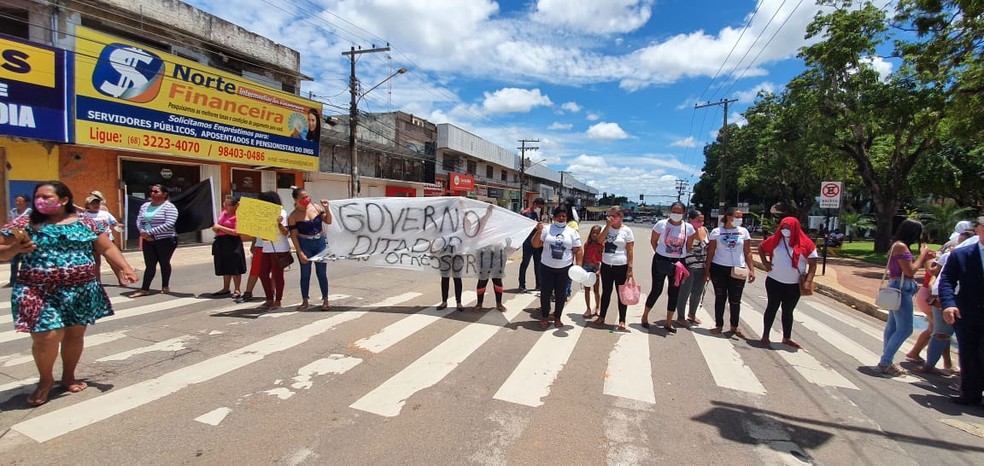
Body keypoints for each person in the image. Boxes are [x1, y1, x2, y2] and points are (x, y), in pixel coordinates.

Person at [0, 181, 138, 406]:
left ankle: (69, 376)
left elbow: (106, 247)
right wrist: (16, 249)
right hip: (38, 290)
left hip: (79, 289)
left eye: (46, 196)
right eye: (38, 197)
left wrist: (125, 267)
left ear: (64, 200)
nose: (40, 201)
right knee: (46, 337)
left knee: (75, 335)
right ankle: (45, 381)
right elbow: (2, 252)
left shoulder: (84, 222)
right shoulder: (25, 222)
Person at [876, 219, 934, 377]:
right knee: (906, 328)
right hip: (901, 288)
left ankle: (887, 360)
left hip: (900, 287)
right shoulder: (901, 246)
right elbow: (910, 271)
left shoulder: (899, 245)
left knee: (893, 326)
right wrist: (922, 256)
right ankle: (886, 361)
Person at [914, 229, 974, 374]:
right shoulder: (953, 255)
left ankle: (962, 372)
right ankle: (930, 364)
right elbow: (940, 276)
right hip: (947, 299)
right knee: (941, 332)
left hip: (969, 301)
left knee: (967, 338)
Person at [939, 217, 984, 405]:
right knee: (969, 353)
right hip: (967, 313)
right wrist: (949, 303)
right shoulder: (961, 254)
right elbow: (947, 280)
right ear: (979, 229)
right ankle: (970, 393)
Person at [757, 217, 818, 349]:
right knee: (772, 307)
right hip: (774, 280)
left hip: (794, 284)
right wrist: (765, 262)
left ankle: (786, 337)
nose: (785, 230)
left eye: (788, 228)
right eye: (783, 227)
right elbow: (761, 248)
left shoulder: (806, 243)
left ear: (795, 228)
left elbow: (813, 265)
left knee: (788, 310)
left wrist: (808, 281)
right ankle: (765, 335)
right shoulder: (776, 239)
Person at [641, 202, 695, 333]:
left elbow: (689, 246)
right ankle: (645, 316)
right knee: (656, 290)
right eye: (674, 211)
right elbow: (654, 241)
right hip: (661, 260)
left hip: (678, 263)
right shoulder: (661, 224)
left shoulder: (689, 228)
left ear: (684, 213)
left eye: (679, 212)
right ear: (670, 211)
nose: (676, 214)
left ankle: (669, 322)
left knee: (674, 292)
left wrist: (678, 255)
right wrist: (661, 253)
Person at [704, 207, 756, 336]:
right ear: (728, 217)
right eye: (737, 216)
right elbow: (710, 252)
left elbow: (747, 252)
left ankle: (734, 326)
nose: (739, 219)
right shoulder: (717, 232)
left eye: (741, 217)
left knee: (735, 299)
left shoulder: (744, 232)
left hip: (738, 268)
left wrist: (752, 269)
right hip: (719, 268)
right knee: (720, 297)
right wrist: (707, 270)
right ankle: (719, 325)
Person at [532, 205, 583, 329]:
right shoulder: (546, 229)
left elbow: (578, 250)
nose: (561, 218)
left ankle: (557, 318)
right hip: (546, 268)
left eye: (564, 216)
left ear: (566, 217)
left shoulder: (572, 232)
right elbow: (535, 244)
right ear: (554, 217)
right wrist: (538, 231)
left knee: (561, 295)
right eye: (559, 216)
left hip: (564, 269)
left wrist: (579, 267)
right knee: (545, 293)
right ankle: (544, 317)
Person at [287, 188, 332, 311]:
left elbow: (328, 221)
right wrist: (300, 252)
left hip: (320, 243)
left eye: (307, 196)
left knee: (322, 273)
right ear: (296, 200)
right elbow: (294, 235)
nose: (307, 199)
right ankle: (305, 300)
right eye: (303, 197)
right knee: (305, 274)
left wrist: (327, 209)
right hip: (304, 244)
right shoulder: (293, 216)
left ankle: (326, 300)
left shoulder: (316, 208)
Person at [132, 184, 179, 297]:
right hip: (147, 239)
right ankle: (145, 289)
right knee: (150, 264)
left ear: (164, 194)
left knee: (164, 262)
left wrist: (150, 233)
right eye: (151, 191)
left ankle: (165, 286)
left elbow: (169, 224)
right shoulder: (145, 206)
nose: (153, 193)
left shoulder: (169, 207)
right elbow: (139, 220)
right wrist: (143, 233)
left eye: (156, 191)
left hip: (165, 239)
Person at [594, 206, 635, 330]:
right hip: (607, 265)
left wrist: (630, 268)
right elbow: (600, 241)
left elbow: (630, 250)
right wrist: (608, 226)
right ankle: (602, 316)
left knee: (621, 293)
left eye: (614, 216)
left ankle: (622, 320)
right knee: (606, 292)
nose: (611, 218)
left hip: (621, 266)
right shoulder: (607, 228)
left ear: (620, 217)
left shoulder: (626, 231)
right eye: (609, 215)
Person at [257, 191, 290, 310]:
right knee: (262, 273)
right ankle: (269, 298)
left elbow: (286, 232)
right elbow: (262, 235)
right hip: (267, 247)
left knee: (277, 274)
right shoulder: (263, 215)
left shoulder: (282, 213)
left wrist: (279, 223)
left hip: (279, 248)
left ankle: (278, 301)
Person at [209, 195, 246, 298]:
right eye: (225, 204)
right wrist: (216, 228)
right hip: (222, 241)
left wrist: (220, 228)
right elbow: (216, 226)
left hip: (233, 242)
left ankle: (237, 289)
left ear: (235, 206)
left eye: (228, 205)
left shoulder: (238, 216)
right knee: (224, 264)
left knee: (235, 265)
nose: (225, 206)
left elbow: (236, 232)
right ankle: (226, 287)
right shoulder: (223, 214)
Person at [676, 210, 708, 327]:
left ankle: (692, 314)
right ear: (690, 220)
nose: (701, 222)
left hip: (702, 266)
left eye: (702, 220)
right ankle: (680, 316)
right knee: (684, 292)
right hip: (688, 265)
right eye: (698, 220)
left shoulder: (704, 230)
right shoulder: (685, 231)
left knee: (697, 292)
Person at [80, 192, 119, 284]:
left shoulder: (105, 213)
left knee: (112, 260)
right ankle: (98, 282)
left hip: (108, 240)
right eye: (92, 203)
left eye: (97, 202)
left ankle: (121, 279)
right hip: (93, 242)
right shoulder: (84, 215)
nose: (95, 205)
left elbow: (114, 223)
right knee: (96, 262)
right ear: (88, 205)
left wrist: (119, 226)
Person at [518, 197, 544, 293]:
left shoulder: (538, 214)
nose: (539, 209)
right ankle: (521, 284)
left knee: (538, 265)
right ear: (534, 204)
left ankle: (539, 284)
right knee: (525, 263)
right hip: (528, 243)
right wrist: (535, 228)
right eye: (538, 206)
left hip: (537, 244)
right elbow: (522, 227)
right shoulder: (525, 213)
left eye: (541, 207)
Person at [6, 194, 32, 287]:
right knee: (14, 261)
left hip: (27, 238)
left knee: (27, 260)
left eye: (20, 201)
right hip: (16, 238)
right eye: (16, 201)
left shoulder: (30, 212)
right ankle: (13, 281)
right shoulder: (12, 212)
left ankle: (26, 280)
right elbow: (10, 223)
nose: (17, 203)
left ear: (26, 203)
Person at [581, 225, 603, 318]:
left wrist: (600, 270)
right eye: (593, 233)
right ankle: (588, 308)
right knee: (587, 289)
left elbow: (604, 258)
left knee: (596, 290)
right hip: (587, 267)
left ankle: (597, 307)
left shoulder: (602, 245)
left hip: (596, 268)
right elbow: (584, 256)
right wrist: (581, 268)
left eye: (597, 233)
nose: (595, 235)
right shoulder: (587, 244)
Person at [236, 237, 264, 304]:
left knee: (274, 271)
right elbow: (255, 233)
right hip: (259, 246)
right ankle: (248, 292)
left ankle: (271, 292)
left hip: (275, 247)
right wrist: (253, 243)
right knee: (254, 271)